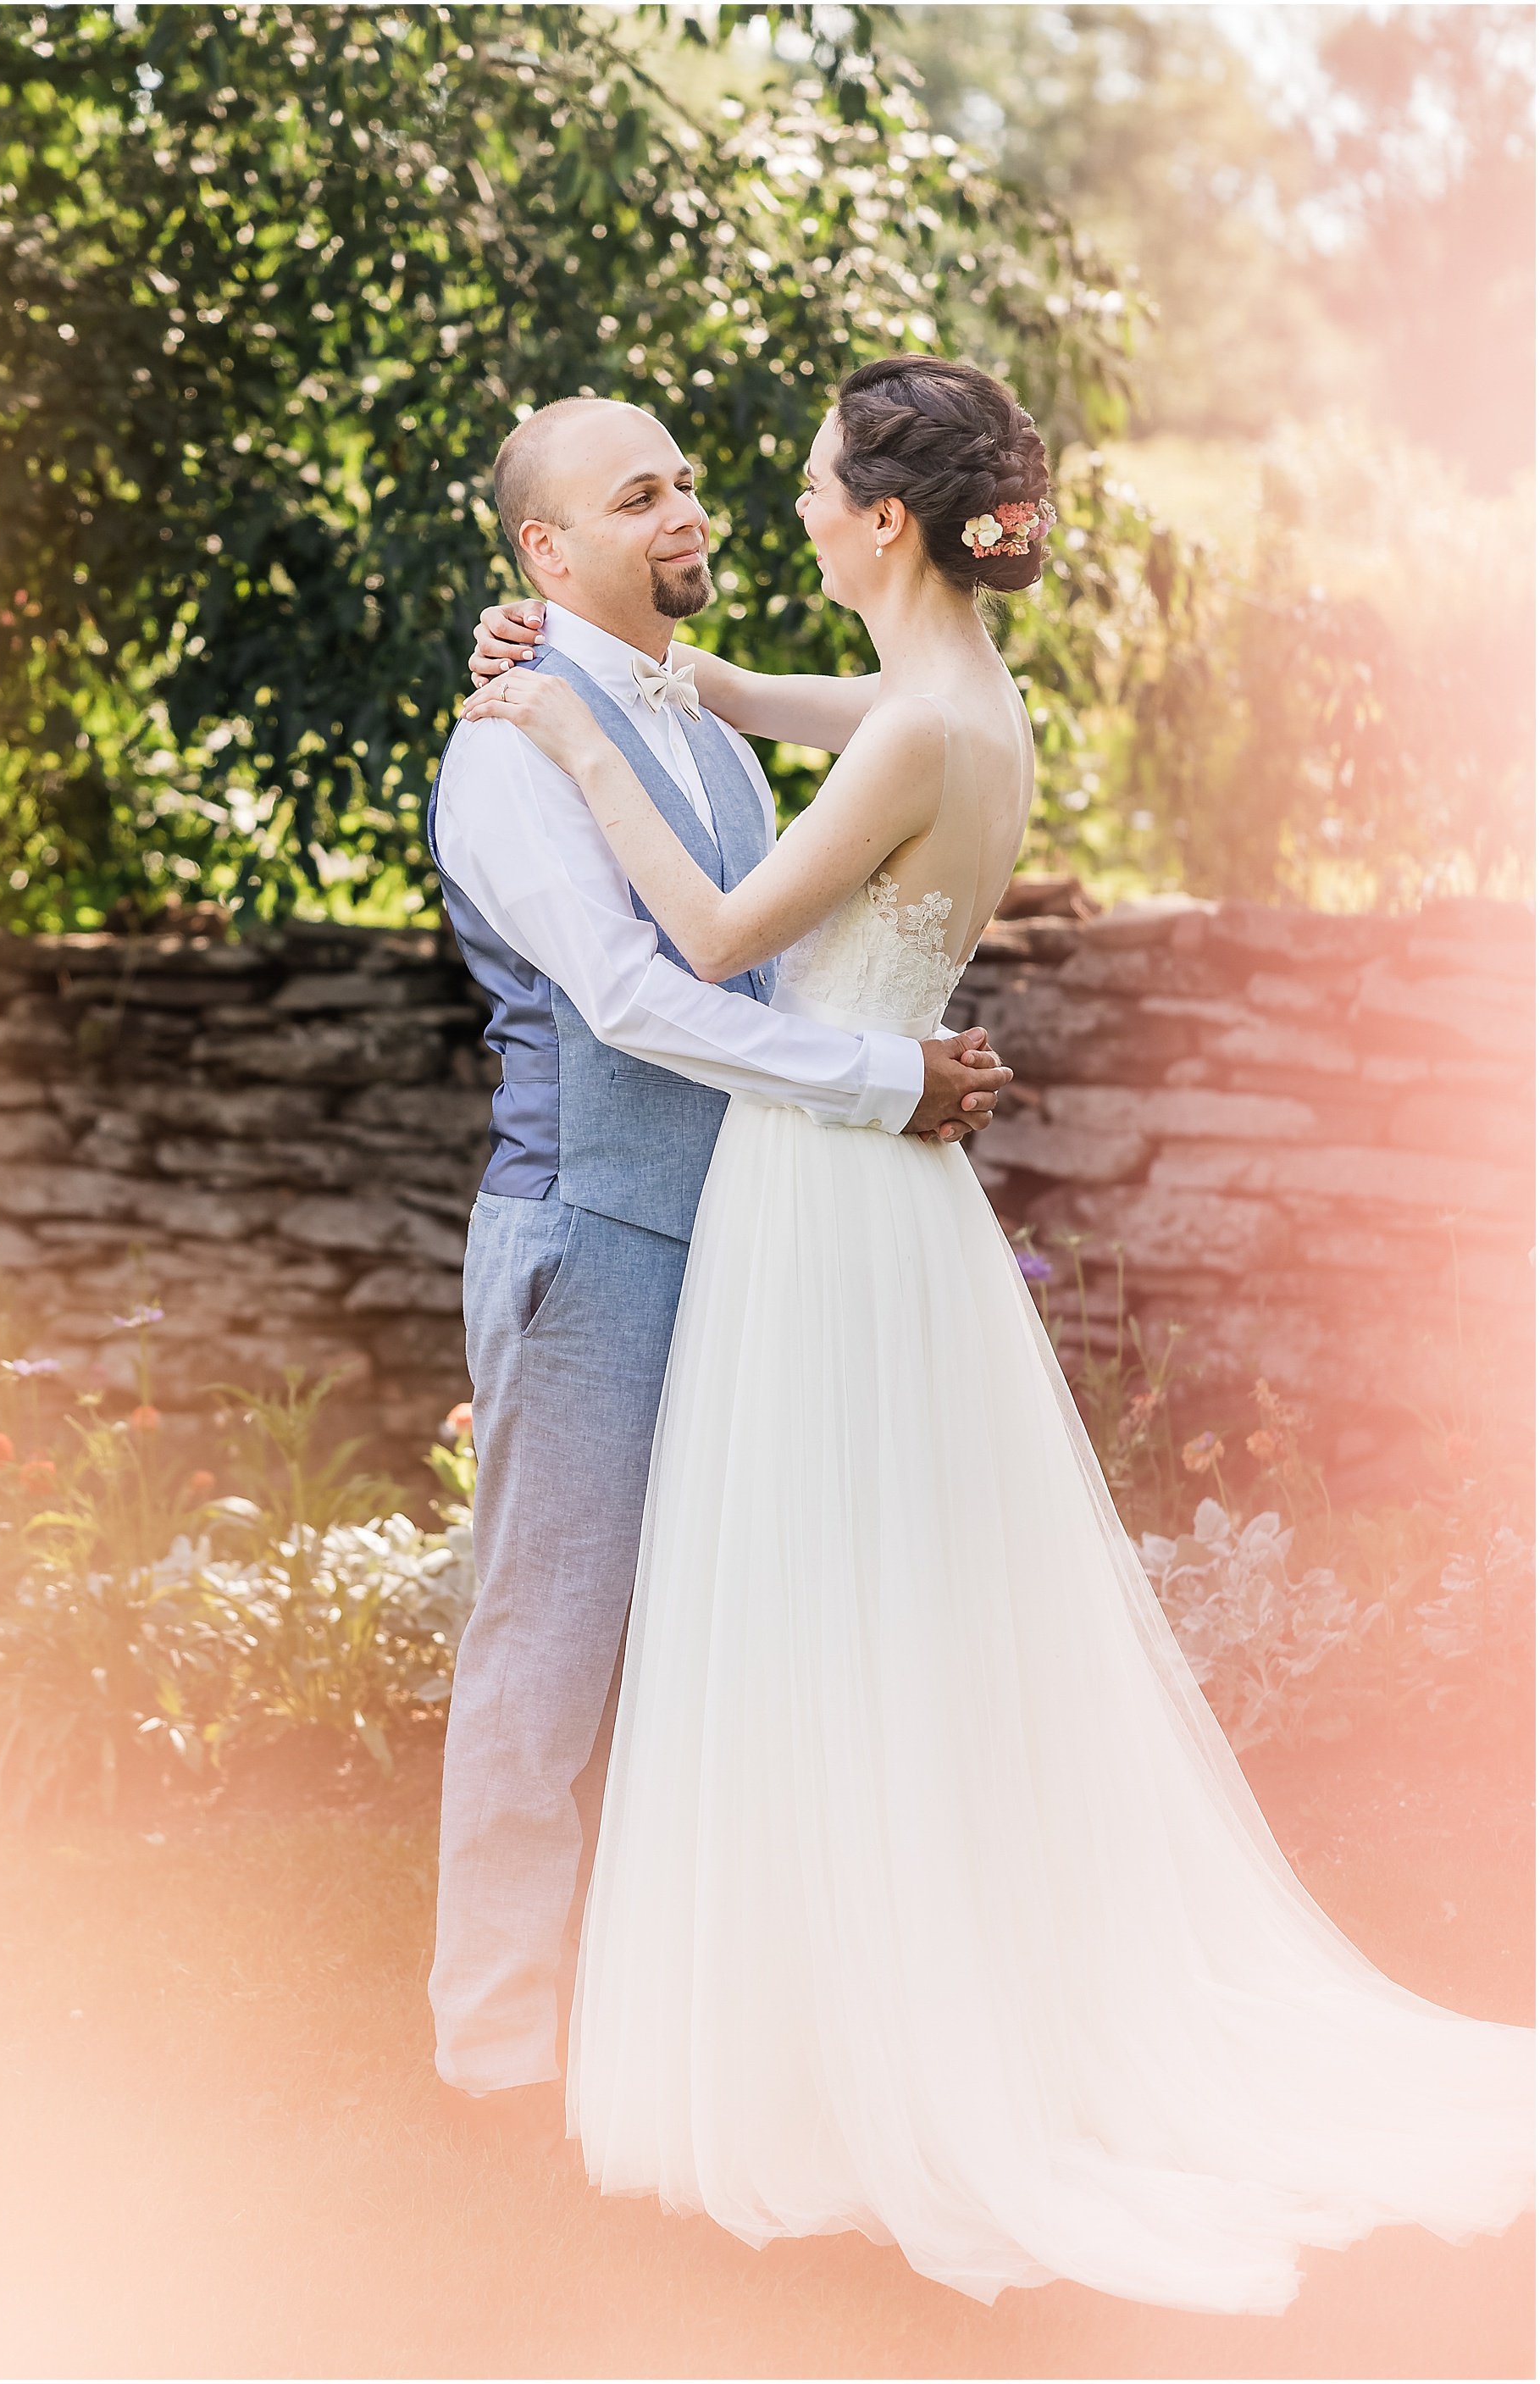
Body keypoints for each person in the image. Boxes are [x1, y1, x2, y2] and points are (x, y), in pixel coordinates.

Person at [457, 354, 1533, 2311]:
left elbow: (696, 949)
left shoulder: (900, 731)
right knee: (860, 1607)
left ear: (885, 522)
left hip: (825, 1190)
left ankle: (854, 2033)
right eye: (672, 491)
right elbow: (777, 717)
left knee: (808, 1604)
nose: (758, 509)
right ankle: (788, 1989)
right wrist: (618, 689)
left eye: (786, 484)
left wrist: (575, 727)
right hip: (861, 1202)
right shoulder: (958, 700)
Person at [424, 391, 1014, 2148]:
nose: (688, 508)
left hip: (755, 1242)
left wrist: (861, 1074)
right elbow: (633, 999)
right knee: (556, 1641)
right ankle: (496, 2053)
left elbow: (761, 964)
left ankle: (697, 2012)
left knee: (730, 1639)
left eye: (684, 479)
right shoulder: (503, 754)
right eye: (638, 494)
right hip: (595, 1235)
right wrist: (878, 1081)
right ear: (548, 554)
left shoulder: (709, 733)